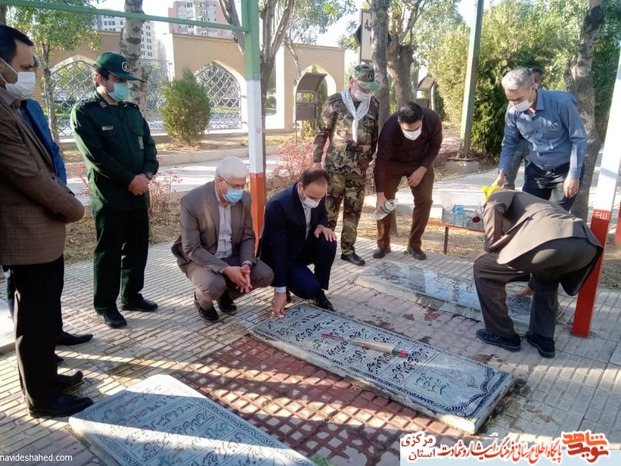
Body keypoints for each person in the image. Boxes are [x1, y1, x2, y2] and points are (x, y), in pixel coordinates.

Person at [0, 25, 92, 417]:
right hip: (26, 239)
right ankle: (42, 398)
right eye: (24, 67)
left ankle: (47, 379)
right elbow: (30, 177)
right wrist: (75, 208)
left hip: (40, 236)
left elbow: (45, 163)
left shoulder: (13, 106)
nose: (32, 74)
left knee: (42, 319)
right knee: (34, 324)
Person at [71, 52, 159, 329]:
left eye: (125, 80)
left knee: (137, 249)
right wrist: (130, 179)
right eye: (118, 79)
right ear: (100, 79)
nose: (123, 85)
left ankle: (131, 296)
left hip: (138, 194)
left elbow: (149, 146)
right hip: (111, 197)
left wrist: (146, 174)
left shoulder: (131, 111)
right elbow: (96, 157)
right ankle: (105, 305)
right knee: (108, 253)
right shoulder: (85, 112)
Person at [474, 190, 602, 358]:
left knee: (483, 269)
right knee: (547, 276)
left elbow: (493, 206)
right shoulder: (535, 204)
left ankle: (501, 334)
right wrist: (530, 286)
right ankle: (543, 338)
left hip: (551, 241)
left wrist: (490, 248)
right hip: (586, 246)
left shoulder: (500, 193)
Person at [171, 157, 273, 322]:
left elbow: (247, 235)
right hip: (200, 258)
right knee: (213, 286)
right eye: (235, 186)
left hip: (231, 254)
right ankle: (202, 301)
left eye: (242, 185)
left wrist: (246, 264)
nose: (239, 191)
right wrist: (226, 269)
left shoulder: (244, 199)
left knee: (265, 275)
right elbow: (191, 248)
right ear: (219, 181)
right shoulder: (192, 201)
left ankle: (225, 294)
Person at [312, 63, 380, 267]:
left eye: (369, 88)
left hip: (358, 170)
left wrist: (367, 159)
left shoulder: (373, 104)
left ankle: (348, 250)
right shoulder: (334, 102)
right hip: (335, 169)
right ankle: (324, 249)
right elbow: (322, 132)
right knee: (329, 210)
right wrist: (316, 161)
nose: (366, 92)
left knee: (354, 211)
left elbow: (374, 136)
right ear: (351, 81)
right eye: (363, 87)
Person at [493, 67, 586, 212]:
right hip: (536, 171)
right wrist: (502, 174)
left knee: (554, 217)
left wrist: (574, 175)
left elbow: (578, 139)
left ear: (532, 88)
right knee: (528, 214)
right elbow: (509, 144)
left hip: (564, 171)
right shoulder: (513, 112)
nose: (515, 104)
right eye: (511, 100)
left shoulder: (561, 103)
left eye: (519, 99)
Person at [260, 169, 338, 318]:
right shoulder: (279, 204)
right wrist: (280, 290)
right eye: (312, 197)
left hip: (302, 247)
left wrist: (322, 225)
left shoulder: (317, 194)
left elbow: (322, 213)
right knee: (307, 289)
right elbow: (277, 249)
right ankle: (287, 284)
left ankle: (318, 292)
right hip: (285, 255)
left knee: (328, 241)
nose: (316, 202)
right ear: (301, 186)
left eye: (320, 198)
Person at [373, 101, 443, 261]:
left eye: (416, 129)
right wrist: (379, 194)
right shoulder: (389, 127)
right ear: (399, 123)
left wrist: (422, 169)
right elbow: (381, 161)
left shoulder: (432, 119)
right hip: (393, 162)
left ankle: (414, 245)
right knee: (384, 201)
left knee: (425, 200)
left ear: (422, 119)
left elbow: (435, 146)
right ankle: (383, 245)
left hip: (420, 162)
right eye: (407, 130)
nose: (412, 133)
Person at [503, 67, 544, 190]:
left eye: (536, 80)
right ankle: (507, 198)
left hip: (532, 145)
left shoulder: (543, 99)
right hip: (515, 142)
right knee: (507, 178)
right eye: (532, 79)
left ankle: (527, 198)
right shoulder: (517, 97)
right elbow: (509, 119)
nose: (534, 83)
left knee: (531, 180)